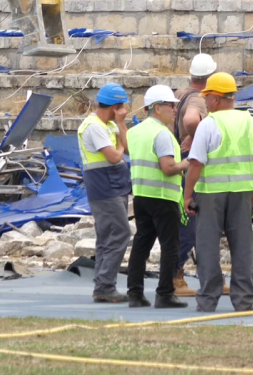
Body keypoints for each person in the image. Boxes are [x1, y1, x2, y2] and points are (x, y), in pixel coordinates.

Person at [183, 72, 253, 312]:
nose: (205, 102)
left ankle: (208, 300)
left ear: (214, 99)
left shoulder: (209, 124)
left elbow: (195, 164)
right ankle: (244, 301)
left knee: (208, 247)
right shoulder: (251, 123)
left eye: (207, 97)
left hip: (211, 194)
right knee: (242, 247)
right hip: (242, 193)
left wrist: (187, 195)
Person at [126, 85, 190, 309]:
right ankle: (164, 294)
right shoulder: (162, 133)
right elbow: (168, 167)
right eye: (171, 106)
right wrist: (186, 163)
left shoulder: (134, 132)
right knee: (170, 247)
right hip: (164, 197)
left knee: (141, 245)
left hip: (142, 195)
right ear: (157, 108)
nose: (174, 110)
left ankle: (135, 293)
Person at [77, 83, 133, 303]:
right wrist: (119, 143)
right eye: (122, 109)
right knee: (120, 232)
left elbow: (128, 149)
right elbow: (115, 156)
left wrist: (121, 125)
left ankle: (103, 284)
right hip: (103, 185)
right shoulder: (94, 126)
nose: (124, 112)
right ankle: (105, 285)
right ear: (114, 106)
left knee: (107, 235)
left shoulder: (109, 123)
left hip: (115, 183)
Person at [171, 53, 218, 298]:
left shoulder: (178, 93)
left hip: (175, 165)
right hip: (189, 168)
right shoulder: (198, 100)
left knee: (187, 224)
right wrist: (198, 136)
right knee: (190, 225)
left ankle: (204, 277)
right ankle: (176, 277)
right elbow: (191, 119)